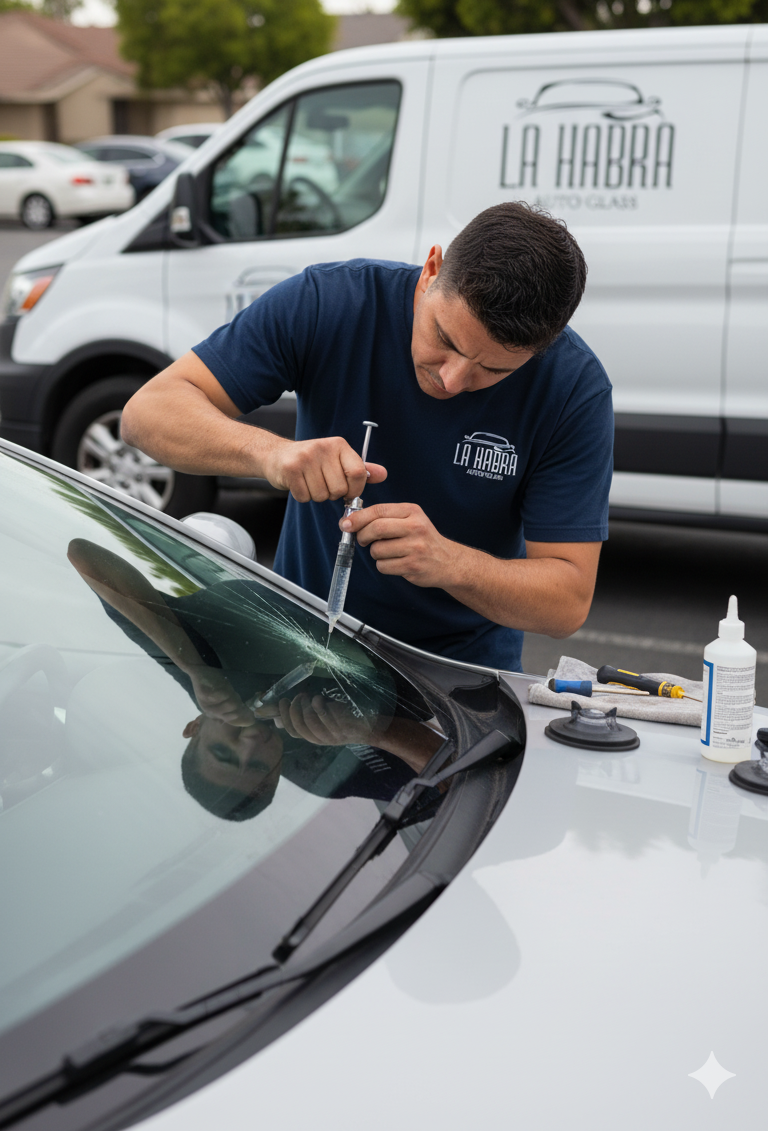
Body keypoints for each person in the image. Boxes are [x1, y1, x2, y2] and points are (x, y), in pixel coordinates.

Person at [122, 202, 613, 673]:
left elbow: (566, 601)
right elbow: (148, 413)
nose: (453, 379)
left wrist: (449, 563)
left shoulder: (573, 388)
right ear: (432, 269)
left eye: (492, 369)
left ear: (542, 349)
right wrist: (271, 454)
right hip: (300, 645)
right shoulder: (331, 302)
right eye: (445, 340)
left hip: (457, 680)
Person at [67, 538, 444, 821]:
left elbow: (85, 557)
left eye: (223, 753)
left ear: (194, 728)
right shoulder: (321, 774)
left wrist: (194, 668)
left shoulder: (199, 670)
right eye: (259, 767)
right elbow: (454, 780)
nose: (248, 745)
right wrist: (374, 732)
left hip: (338, 543)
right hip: (431, 606)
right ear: (279, 773)